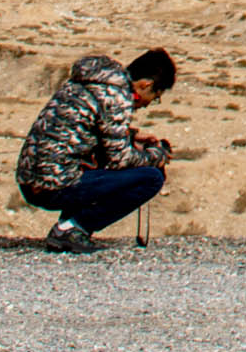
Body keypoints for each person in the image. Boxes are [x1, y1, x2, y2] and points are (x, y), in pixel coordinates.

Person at [16, 47, 175, 252]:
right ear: (146, 84)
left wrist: (131, 136)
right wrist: (157, 155)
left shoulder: (88, 84)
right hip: (55, 185)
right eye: (155, 97)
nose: (148, 104)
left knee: (102, 161)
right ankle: (73, 228)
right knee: (151, 178)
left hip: (32, 181)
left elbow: (83, 128)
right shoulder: (117, 96)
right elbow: (120, 159)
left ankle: (68, 225)